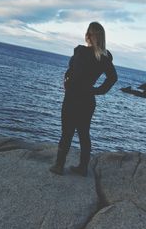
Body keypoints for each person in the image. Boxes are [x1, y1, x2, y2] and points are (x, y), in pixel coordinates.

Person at [50, 22, 118, 177]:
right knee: (84, 134)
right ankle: (82, 168)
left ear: (88, 35)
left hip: (72, 98)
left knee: (67, 133)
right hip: (87, 100)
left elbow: (72, 70)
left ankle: (59, 166)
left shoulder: (80, 51)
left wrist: (67, 80)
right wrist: (96, 91)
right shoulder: (104, 57)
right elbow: (113, 78)